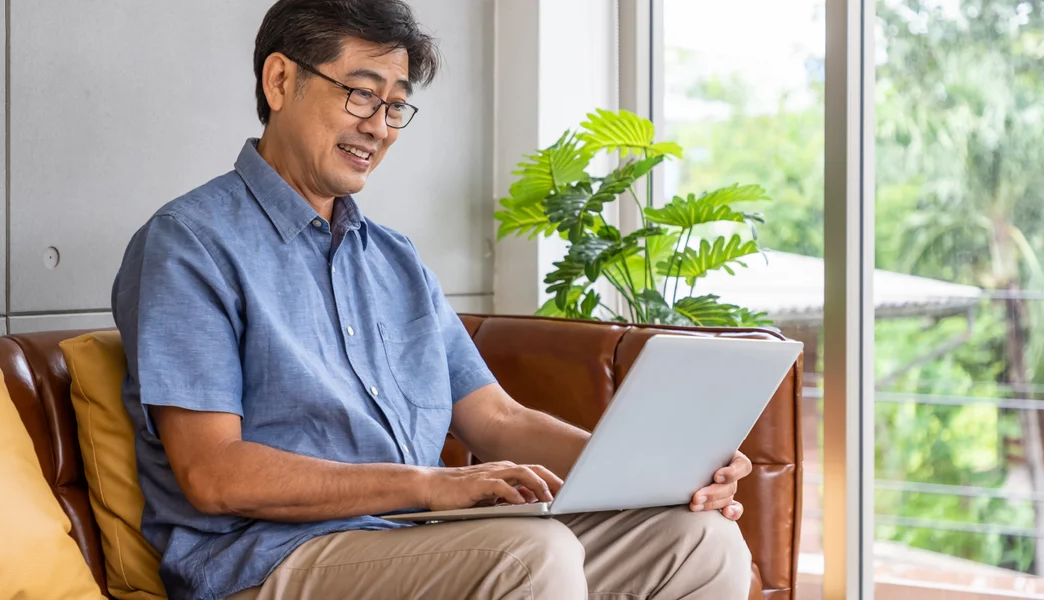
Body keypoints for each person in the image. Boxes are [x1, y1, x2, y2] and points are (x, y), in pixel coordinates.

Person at [111, 1, 755, 598]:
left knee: (699, 539)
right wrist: (430, 484)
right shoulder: (189, 242)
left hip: (420, 539)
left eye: (396, 107)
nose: (380, 128)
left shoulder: (393, 260)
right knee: (532, 553)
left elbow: (496, 420)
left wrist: (661, 474)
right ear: (280, 81)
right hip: (268, 561)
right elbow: (214, 472)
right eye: (362, 95)